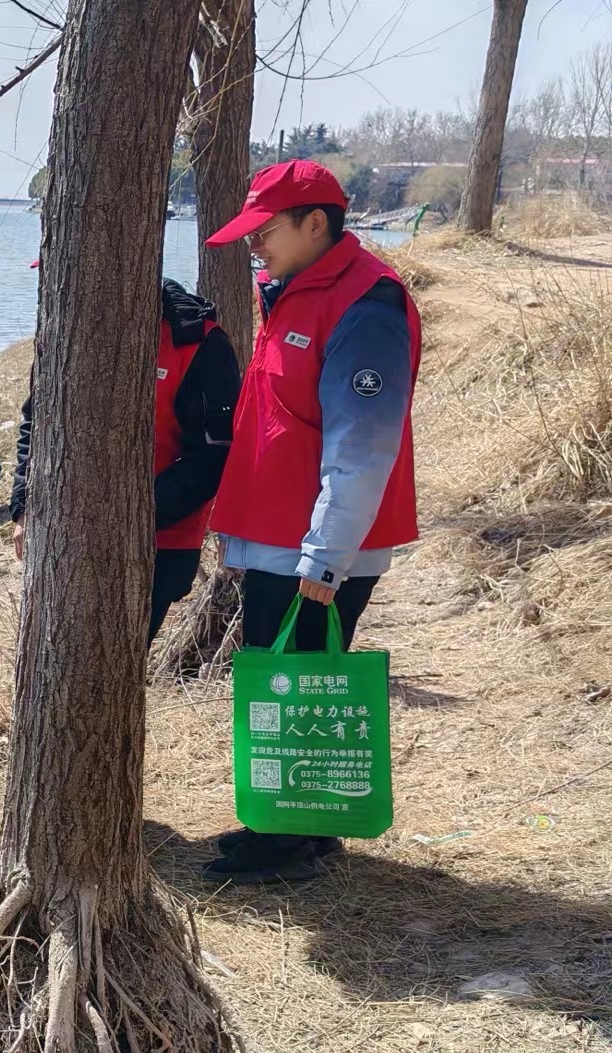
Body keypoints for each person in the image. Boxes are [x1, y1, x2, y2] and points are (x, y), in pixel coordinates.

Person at [200, 159, 420, 886]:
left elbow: (362, 444)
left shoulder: (366, 304)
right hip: (278, 537)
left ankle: (286, 843)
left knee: (294, 686)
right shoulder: (294, 289)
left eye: (264, 230)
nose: (252, 244)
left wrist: (324, 561)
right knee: (287, 679)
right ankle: (293, 823)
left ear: (314, 223)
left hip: (315, 548)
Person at [9, 277, 240, 642]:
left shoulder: (198, 342)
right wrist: (24, 504)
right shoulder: (61, 328)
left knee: (115, 666)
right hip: (65, 535)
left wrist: (126, 517)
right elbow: (36, 425)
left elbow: (212, 457)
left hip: (158, 544)